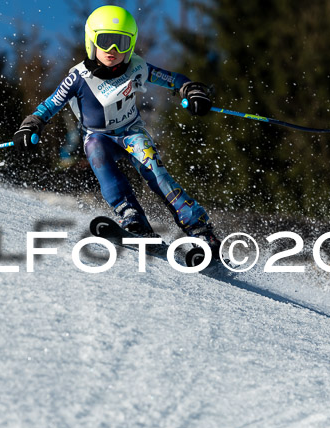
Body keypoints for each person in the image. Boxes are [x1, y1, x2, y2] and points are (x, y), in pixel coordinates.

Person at [14, 5, 220, 251]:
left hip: (131, 132)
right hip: (98, 135)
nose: (112, 50)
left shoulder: (136, 67)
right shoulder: (78, 78)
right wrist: (31, 125)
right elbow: (49, 105)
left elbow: (175, 80)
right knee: (96, 152)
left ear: (130, 45)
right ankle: (132, 217)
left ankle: (199, 229)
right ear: (92, 41)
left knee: (155, 171)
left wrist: (193, 91)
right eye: (105, 41)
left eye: (121, 43)